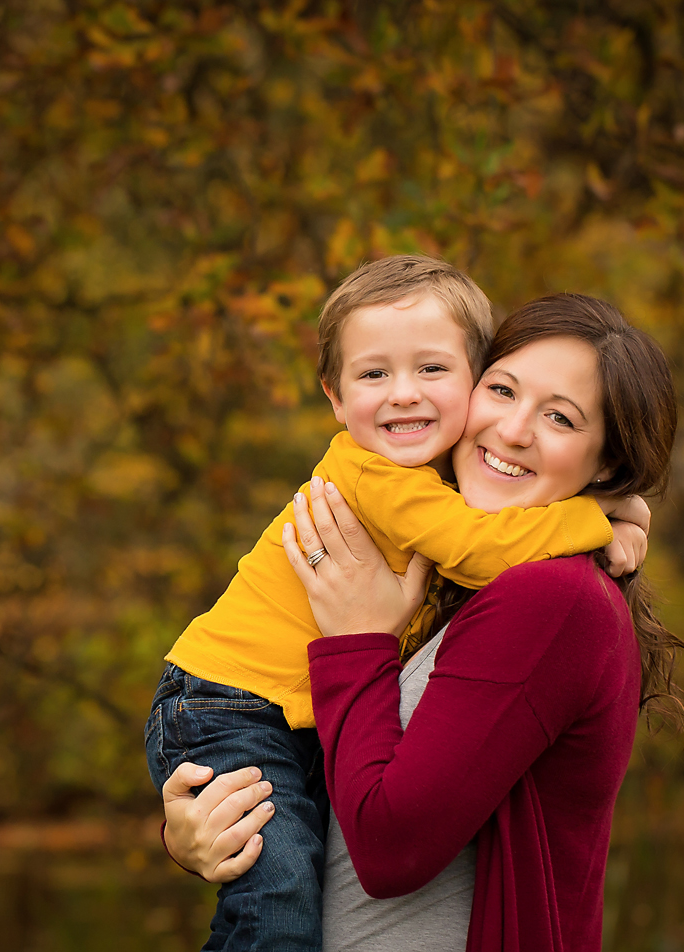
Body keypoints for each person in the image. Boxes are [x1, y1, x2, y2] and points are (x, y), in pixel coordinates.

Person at [147, 259, 649, 952]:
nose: (511, 430)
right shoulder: (410, 504)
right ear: (334, 395)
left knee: (276, 916)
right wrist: (188, 833)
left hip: (256, 712)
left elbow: (389, 843)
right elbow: (359, 776)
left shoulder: (550, 595)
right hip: (236, 707)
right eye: (502, 391)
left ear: (606, 460)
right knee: (272, 912)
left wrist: (606, 511)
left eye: (560, 416)